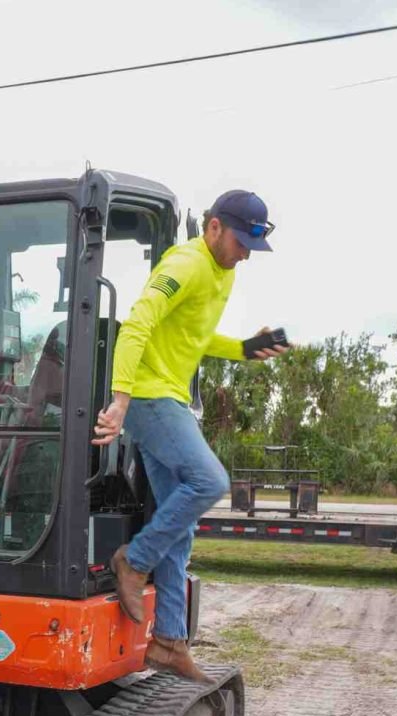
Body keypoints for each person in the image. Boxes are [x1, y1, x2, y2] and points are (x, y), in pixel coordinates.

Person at [92, 190, 289, 683]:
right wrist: (120, 399)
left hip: (170, 397)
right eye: (240, 241)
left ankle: (169, 642)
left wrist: (246, 348)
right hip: (150, 397)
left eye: (251, 245)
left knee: (177, 527)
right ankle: (133, 563)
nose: (244, 253)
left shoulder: (222, 272)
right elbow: (137, 323)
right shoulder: (186, 263)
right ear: (214, 227)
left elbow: (194, 339)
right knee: (208, 482)